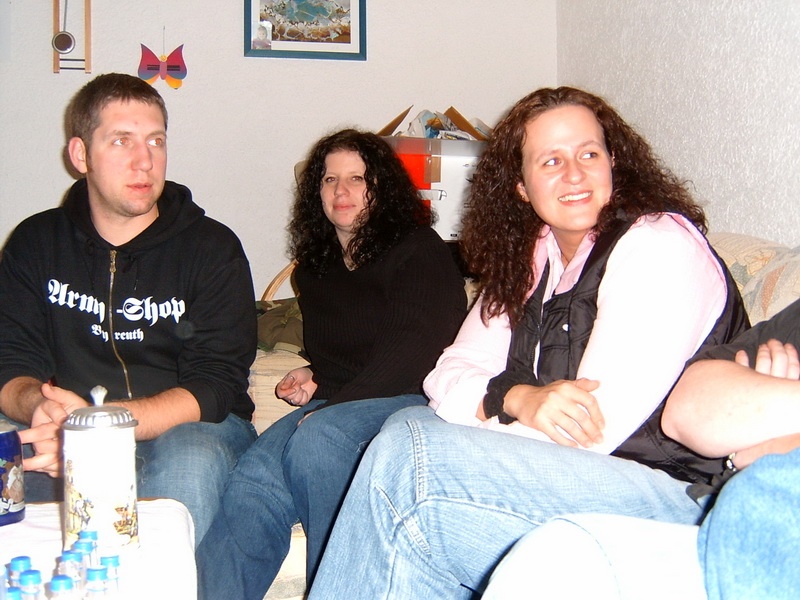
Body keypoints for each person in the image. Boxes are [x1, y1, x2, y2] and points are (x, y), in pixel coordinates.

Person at [306, 86, 749, 599]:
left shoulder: (659, 246)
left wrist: (487, 409)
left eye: (589, 154)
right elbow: (448, 371)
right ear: (521, 186)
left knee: (413, 458)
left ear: (614, 163)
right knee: (408, 426)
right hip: (574, 474)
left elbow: (587, 431)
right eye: (550, 161)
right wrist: (515, 397)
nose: (574, 174)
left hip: (680, 499)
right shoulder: (532, 256)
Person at [195, 129, 467, 599]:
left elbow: (413, 351)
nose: (342, 190)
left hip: (416, 402)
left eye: (358, 178)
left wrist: (333, 407)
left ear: (382, 188)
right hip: (345, 403)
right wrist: (314, 376)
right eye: (329, 179)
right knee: (253, 481)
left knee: (319, 438)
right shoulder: (315, 268)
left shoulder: (419, 249)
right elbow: (343, 353)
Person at [0, 73, 257, 547]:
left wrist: (97, 426)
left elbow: (215, 386)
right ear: (80, 155)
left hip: (189, 428)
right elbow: (11, 366)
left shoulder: (212, 248)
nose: (145, 161)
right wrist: (40, 407)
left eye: (156, 141)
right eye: (122, 140)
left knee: (190, 463)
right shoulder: (36, 243)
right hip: (70, 426)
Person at [482, 299, 800, 600]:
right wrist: (511, 397)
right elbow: (687, 408)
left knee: (559, 560)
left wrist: (766, 426)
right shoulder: (528, 270)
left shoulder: (663, 262)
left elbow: (591, 422)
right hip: (711, 502)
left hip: (687, 491)